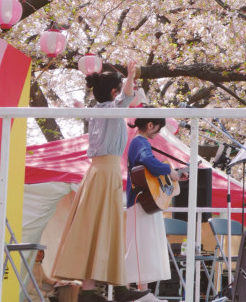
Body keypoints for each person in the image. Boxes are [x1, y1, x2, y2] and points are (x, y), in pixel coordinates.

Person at [51, 59, 150, 302]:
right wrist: (129, 76)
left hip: (98, 173)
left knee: (95, 228)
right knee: (106, 227)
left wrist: (127, 79)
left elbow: (126, 96)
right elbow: (127, 97)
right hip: (106, 173)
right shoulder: (110, 109)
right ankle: (115, 289)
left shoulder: (96, 111)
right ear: (114, 92)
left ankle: (92, 291)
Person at [124, 118, 188, 302]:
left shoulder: (138, 142)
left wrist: (172, 175)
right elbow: (146, 160)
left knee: (143, 247)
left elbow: (147, 167)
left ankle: (141, 294)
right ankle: (134, 294)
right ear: (150, 124)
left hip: (141, 201)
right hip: (139, 201)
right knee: (139, 247)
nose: (157, 133)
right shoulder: (140, 141)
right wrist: (168, 169)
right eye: (158, 129)